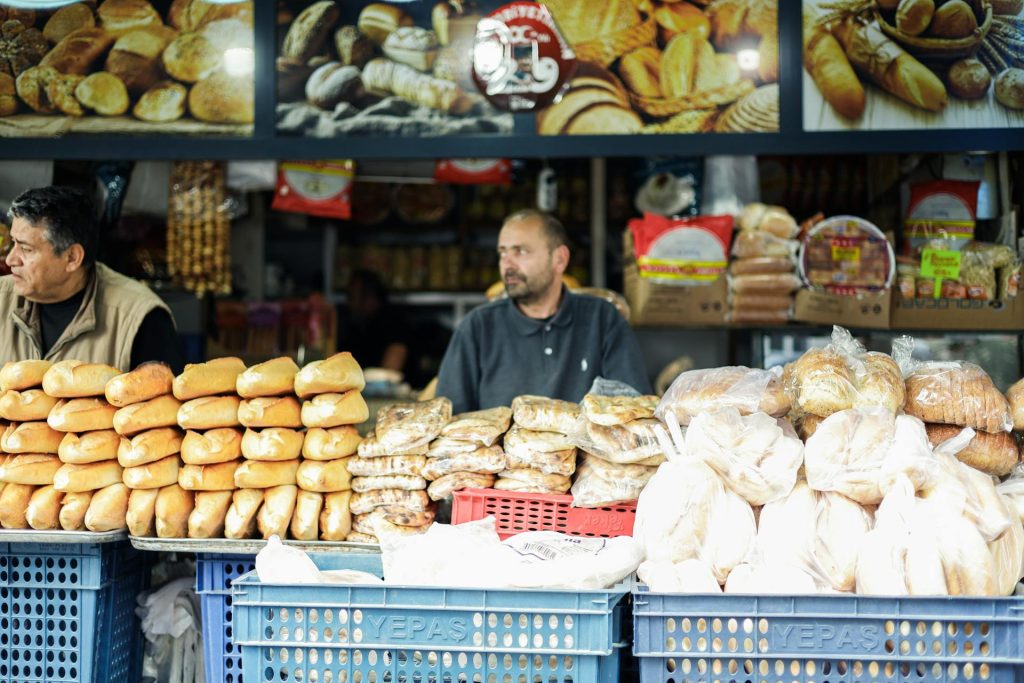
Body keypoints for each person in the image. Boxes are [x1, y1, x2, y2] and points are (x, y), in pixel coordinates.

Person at [436, 209, 651, 413]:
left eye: (520, 251)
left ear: (560, 259)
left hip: (584, 451)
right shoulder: (477, 327)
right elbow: (452, 421)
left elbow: (633, 407)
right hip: (500, 452)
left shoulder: (602, 319)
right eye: (503, 253)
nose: (507, 265)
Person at [0, 185, 184, 371]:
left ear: (72, 257)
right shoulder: (1, 298)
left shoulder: (139, 319)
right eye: (13, 243)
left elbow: (164, 397)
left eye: (26, 249)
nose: (10, 259)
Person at [337, 269, 410, 374]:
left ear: (370, 298)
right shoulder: (355, 327)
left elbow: (390, 373)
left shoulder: (393, 323)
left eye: (352, 297)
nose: (348, 303)